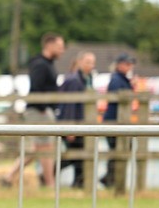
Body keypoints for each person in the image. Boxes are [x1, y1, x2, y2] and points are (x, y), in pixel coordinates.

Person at [1, 33, 64, 188]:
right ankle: (50, 184)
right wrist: (43, 108)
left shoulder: (46, 63)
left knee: (37, 149)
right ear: (49, 45)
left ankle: (8, 177)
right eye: (59, 46)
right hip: (38, 110)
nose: (62, 50)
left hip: (42, 110)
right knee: (45, 147)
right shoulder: (40, 64)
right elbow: (36, 88)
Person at [56, 51, 94, 188]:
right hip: (74, 124)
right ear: (79, 62)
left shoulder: (85, 79)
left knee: (78, 156)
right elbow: (69, 105)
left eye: (92, 62)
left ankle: (78, 182)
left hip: (81, 124)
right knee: (76, 155)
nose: (91, 65)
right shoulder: (74, 80)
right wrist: (70, 128)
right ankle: (52, 174)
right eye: (88, 62)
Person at [100, 52, 137, 189]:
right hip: (114, 121)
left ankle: (110, 178)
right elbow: (121, 98)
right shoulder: (117, 79)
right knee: (118, 150)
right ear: (119, 65)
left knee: (119, 150)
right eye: (127, 64)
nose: (130, 67)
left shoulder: (120, 79)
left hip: (117, 121)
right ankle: (110, 179)